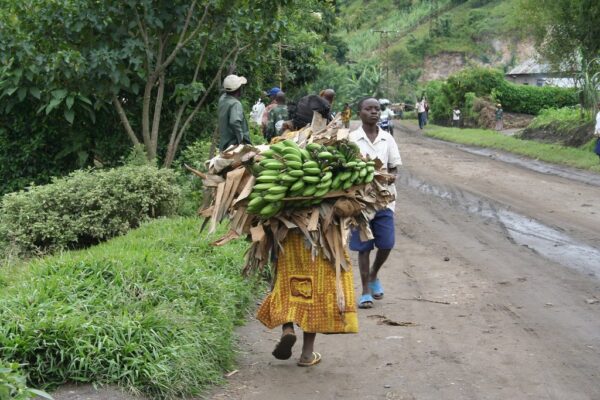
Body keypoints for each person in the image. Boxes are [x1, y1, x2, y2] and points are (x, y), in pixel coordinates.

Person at [257, 230, 358, 367]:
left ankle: (288, 329)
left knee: (286, 283)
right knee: (314, 293)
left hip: (288, 235)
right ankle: (307, 354)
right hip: (319, 238)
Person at [349, 97, 402, 309]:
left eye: (377, 109)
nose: (374, 112)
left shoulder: (387, 139)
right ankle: (364, 291)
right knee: (364, 247)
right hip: (360, 202)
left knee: (387, 243)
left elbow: (394, 167)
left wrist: (386, 177)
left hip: (384, 201)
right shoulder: (352, 139)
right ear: (359, 112)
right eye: (368, 109)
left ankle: (373, 274)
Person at [218, 74, 251, 151]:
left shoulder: (222, 99)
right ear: (239, 90)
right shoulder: (235, 104)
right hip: (233, 145)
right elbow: (234, 122)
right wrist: (241, 140)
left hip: (225, 143)